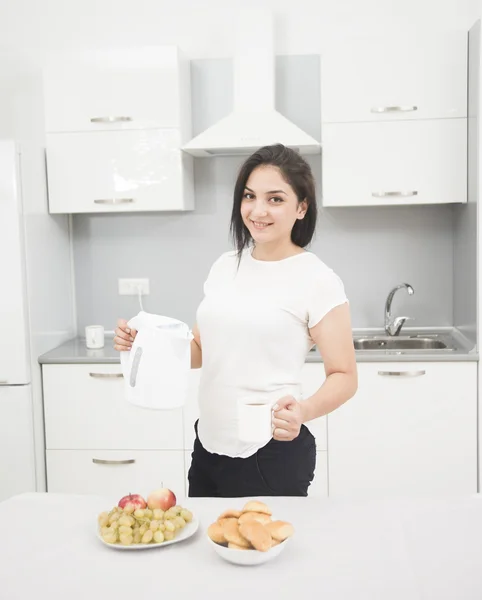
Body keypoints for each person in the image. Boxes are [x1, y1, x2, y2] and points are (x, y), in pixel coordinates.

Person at [114, 143, 357, 497]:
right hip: (209, 445)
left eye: (275, 199)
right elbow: (201, 349)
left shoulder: (316, 279)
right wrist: (144, 344)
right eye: (249, 196)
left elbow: (345, 375)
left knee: (265, 550)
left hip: (271, 452)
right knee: (205, 550)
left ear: (301, 207)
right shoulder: (226, 266)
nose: (258, 210)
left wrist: (302, 411)